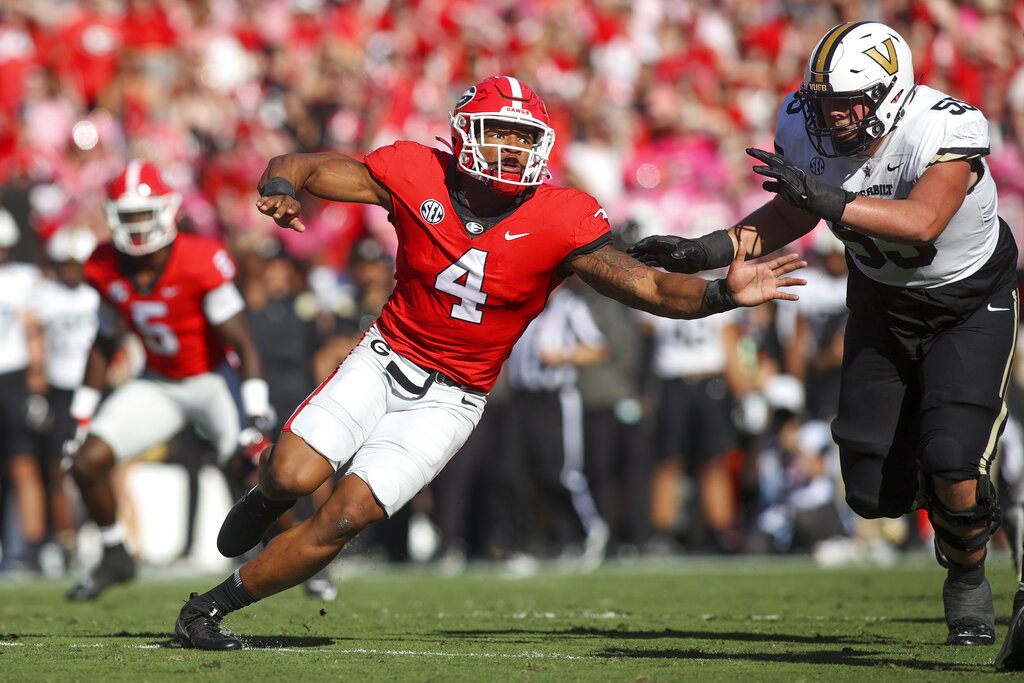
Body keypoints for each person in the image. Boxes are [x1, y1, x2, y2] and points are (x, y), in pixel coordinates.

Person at [173, 75, 806, 650]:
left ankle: (209, 609)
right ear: (464, 134)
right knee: (290, 476)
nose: (510, 149)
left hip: (455, 395)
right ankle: (266, 496)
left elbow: (650, 288)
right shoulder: (416, 171)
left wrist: (724, 290)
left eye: (522, 137)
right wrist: (282, 186)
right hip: (384, 354)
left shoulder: (563, 217)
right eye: (498, 133)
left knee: (345, 516)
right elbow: (305, 163)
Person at [629, 22, 1018, 651]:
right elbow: (791, 210)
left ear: (890, 94)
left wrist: (829, 201)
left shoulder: (943, 126)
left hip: (967, 303)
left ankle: (967, 572)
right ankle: (957, 491)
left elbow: (922, 224)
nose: (831, 117)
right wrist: (704, 248)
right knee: (869, 493)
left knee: (951, 459)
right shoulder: (805, 128)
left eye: (846, 103)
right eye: (823, 103)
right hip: (880, 299)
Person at [64, 159, 272, 600]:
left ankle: (294, 555)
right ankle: (115, 553)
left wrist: (254, 411)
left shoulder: (199, 258)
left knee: (254, 466)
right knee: (87, 460)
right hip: (157, 383)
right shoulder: (104, 264)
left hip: (211, 380)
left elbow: (244, 344)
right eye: (129, 217)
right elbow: (103, 344)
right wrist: (80, 416)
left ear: (166, 211)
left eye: (144, 215)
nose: (137, 227)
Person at [29, 225, 100, 575]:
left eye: (78, 264)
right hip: (59, 389)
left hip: (95, 387)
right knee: (58, 470)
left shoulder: (98, 294)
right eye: (65, 264)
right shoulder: (44, 296)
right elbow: (33, 340)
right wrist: (36, 388)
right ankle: (66, 541)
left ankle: (111, 539)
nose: (72, 270)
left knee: (106, 465)